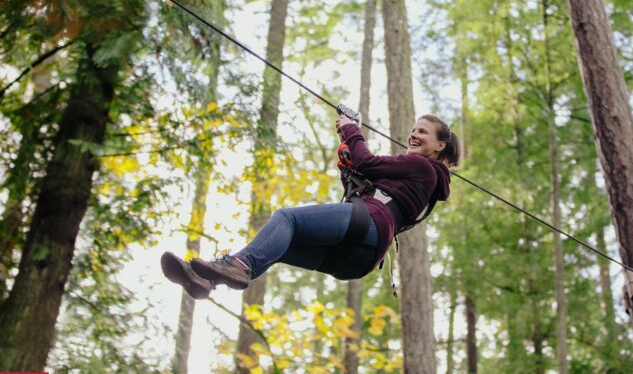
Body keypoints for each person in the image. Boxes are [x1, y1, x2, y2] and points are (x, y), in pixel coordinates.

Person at [160, 114, 460, 299]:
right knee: (278, 247)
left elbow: (367, 161)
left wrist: (351, 129)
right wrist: (349, 169)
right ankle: (208, 279)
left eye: (422, 132)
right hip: (359, 259)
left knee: (286, 219)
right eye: (413, 129)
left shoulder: (422, 167)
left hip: (368, 225)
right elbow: (367, 178)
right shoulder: (425, 181)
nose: (413, 135)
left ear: (439, 146)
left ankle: (235, 267)